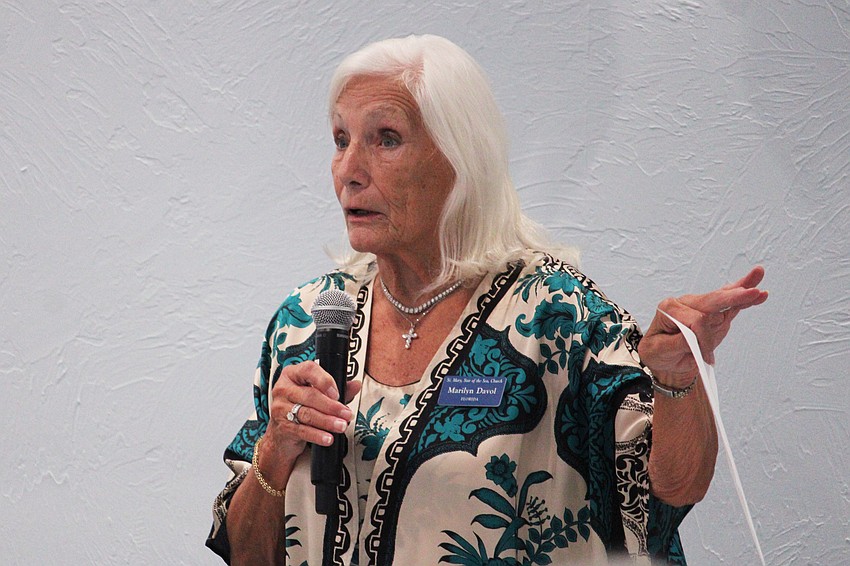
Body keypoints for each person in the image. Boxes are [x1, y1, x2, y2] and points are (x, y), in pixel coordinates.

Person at [206, 34, 767, 565]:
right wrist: (275, 451)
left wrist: (676, 383)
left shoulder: (556, 318)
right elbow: (249, 553)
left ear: (459, 160)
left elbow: (668, 493)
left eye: (386, 139)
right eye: (340, 140)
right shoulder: (306, 322)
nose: (349, 171)